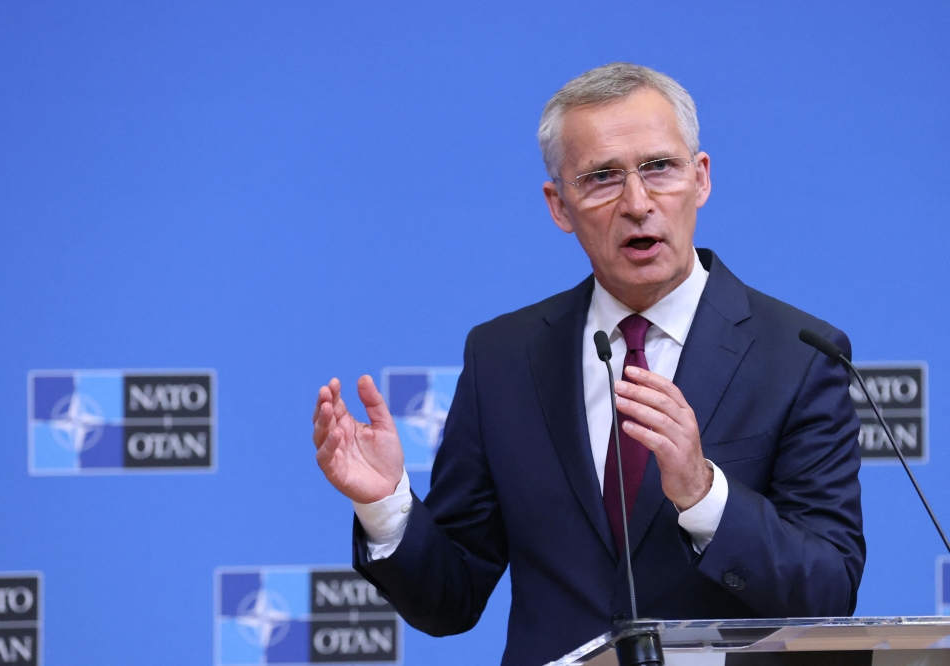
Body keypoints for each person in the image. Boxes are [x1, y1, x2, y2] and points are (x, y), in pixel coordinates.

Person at [312, 62, 865, 666]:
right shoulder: (503, 356)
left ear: (700, 178)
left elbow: (828, 591)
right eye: (601, 177)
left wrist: (704, 495)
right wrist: (387, 505)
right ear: (559, 205)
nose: (637, 202)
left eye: (659, 167)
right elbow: (451, 600)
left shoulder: (799, 354)